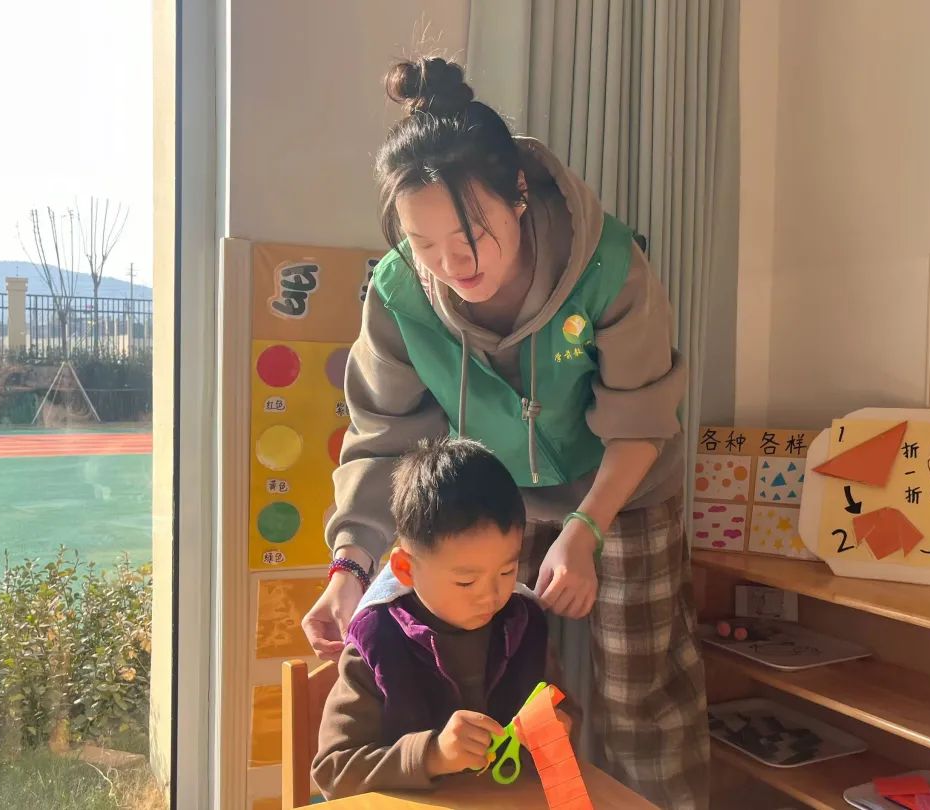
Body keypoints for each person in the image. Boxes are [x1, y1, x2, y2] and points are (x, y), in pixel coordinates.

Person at [303, 55, 707, 807]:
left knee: (638, 697)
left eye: (471, 234)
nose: (451, 265)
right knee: (506, 704)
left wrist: (586, 528)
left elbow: (642, 419)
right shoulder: (400, 294)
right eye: (423, 244)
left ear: (518, 194)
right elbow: (381, 436)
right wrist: (348, 568)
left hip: (623, 490)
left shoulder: (608, 266)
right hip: (497, 506)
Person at [312, 437, 565, 798]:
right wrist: (433, 756)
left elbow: (561, 715)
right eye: (466, 581)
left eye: (507, 572)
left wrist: (556, 729)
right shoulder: (378, 641)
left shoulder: (523, 624)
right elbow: (334, 772)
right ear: (405, 569)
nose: (491, 595)